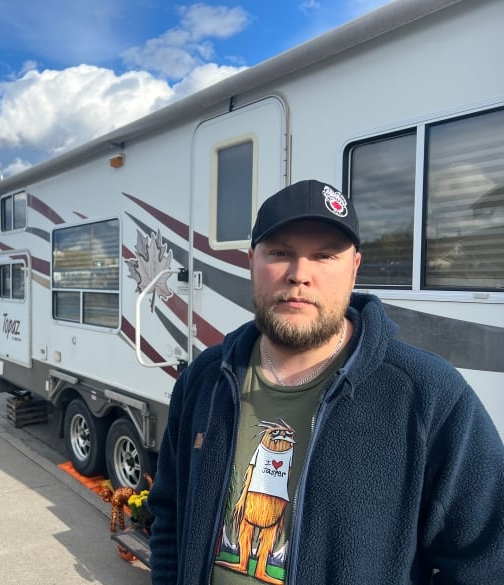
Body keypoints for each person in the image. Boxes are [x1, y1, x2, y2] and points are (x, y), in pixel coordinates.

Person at [147, 179, 504, 585]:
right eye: (280, 253)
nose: (300, 275)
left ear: (354, 267)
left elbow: (488, 561)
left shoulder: (430, 394)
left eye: (324, 256)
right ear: (251, 261)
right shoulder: (205, 378)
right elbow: (170, 517)